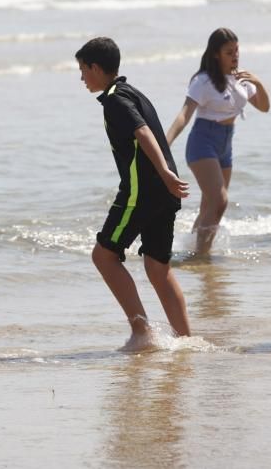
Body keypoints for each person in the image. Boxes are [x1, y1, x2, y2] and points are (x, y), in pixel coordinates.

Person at [76, 37, 192, 349]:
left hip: (142, 192)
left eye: (83, 70)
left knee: (103, 256)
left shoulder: (116, 99)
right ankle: (186, 341)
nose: (82, 77)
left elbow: (142, 132)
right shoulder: (131, 91)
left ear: (96, 68)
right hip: (164, 193)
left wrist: (165, 173)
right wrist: (168, 176)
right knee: (157, 268)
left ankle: (142, 331)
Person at [166, 28, 270, 253]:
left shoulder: (241, 79)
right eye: (229, 52)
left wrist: (259, 83)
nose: (235, 56)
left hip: (226, 145)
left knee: (209, 205)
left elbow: (264, 107)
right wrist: (164, 145)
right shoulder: (203, 81)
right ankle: (202, 255)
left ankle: (193, 251)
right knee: (219, 201)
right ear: (216, 54)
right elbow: (184, 114)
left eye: (237, 51)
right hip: (203, 142)